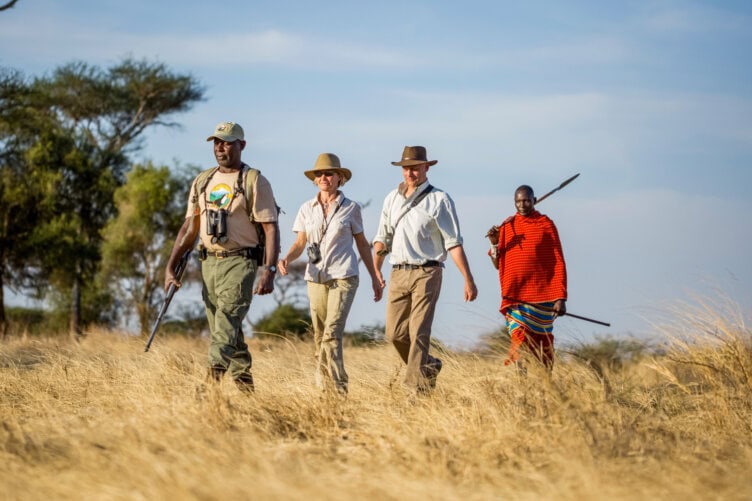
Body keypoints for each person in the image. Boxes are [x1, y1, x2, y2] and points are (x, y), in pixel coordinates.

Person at [164, 121, 280, 392]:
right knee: (227, 329)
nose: (220, 147)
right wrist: (170, 267)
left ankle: (207, 390)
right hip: (208, 263)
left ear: (242, 145)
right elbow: (189, 227)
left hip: (240, 261)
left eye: (227, 142)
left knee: (226, 321)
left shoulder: (254, 181)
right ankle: (246, 391)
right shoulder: (203, 180)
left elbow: (270, 227)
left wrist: (269, 270)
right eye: (217, 142)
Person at [373, 145, 478, 393]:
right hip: (397, 271)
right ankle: (428, 365)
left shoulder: (439, 199)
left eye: (416, 168)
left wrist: (468, 279)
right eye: (407, 168)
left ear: (426, 167)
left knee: (419, 331)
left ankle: (416, 392)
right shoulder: (391, 198)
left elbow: (453, 243)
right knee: (395, 334)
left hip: (427, 272)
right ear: (401, 170)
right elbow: (382, 238)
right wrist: (375, 270)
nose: (411, 173)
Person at [278, 153, 383, 395]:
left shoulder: (351, 208)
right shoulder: (306, 208)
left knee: (332, 334)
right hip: (315, 276)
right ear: (314, 180)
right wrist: (286, 258)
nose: (323, 177)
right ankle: (322, 389)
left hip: (344, 275)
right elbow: (300, 242)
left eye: (329, 173)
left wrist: (375, 275)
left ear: (339, 178)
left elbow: (362, 244)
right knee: (319, 336)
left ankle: (339, 390)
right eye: (319, 174)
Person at [486, 185, 567, 370]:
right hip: (515, 298)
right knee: (519, 342)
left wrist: (560, 297)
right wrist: (495, 242)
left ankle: (546, 385)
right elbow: (497, 264)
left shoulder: (546, 225)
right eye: (518, 201)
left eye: (526, 201)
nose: (522, 205)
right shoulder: (507, 226)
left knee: (542, 346)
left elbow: (558, 261)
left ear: (535, 200)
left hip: (543, 299)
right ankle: (522, 385)